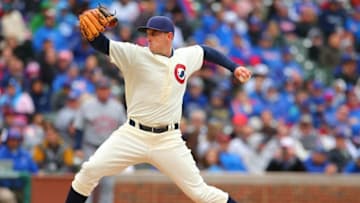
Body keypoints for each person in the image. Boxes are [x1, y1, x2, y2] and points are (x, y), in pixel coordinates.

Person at [65, 14, 251, 203]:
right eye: (148, 33)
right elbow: (103, 45)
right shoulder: (135, 55)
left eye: (154, 33)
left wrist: (234, 68)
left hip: (168, 140)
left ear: (169, 36)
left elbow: (207, 52)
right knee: (88, 171)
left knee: (200, 193)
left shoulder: (184, 57)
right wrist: (92, 36)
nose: (149, 37)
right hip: (133, 135)